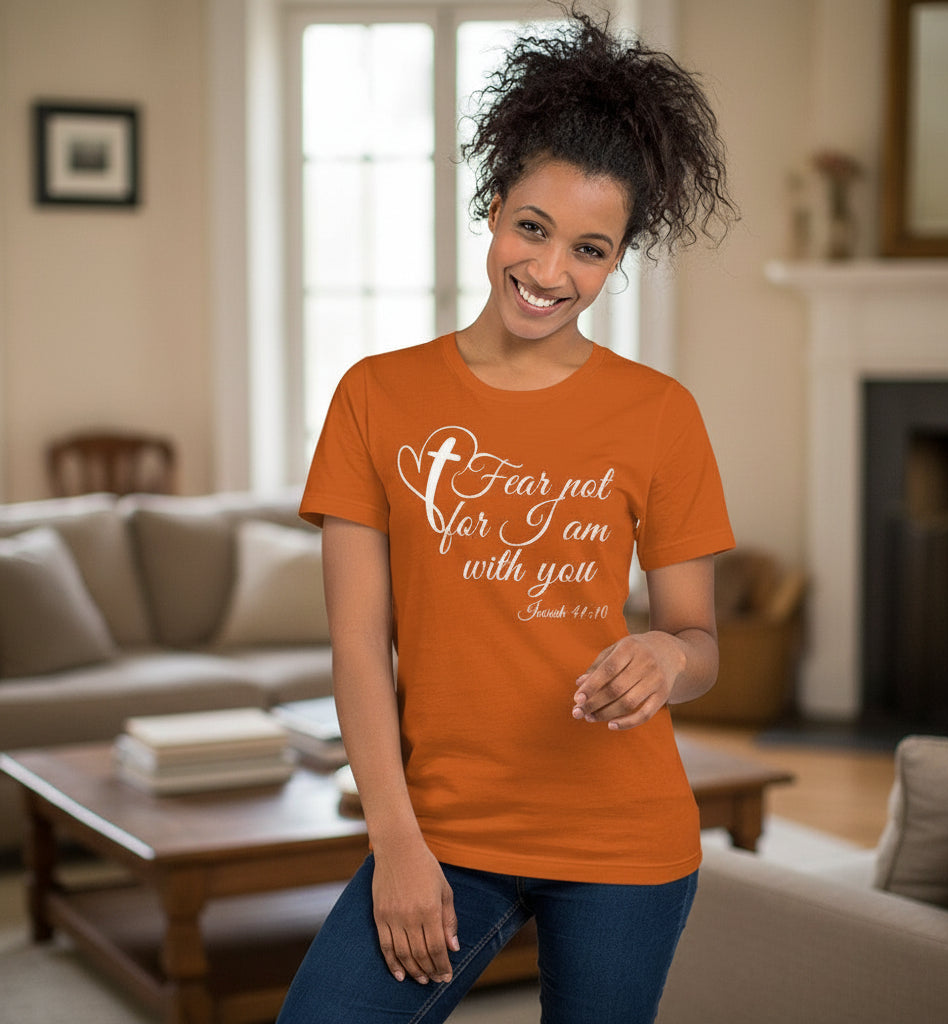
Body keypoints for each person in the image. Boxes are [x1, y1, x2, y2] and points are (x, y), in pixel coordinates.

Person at [277, 6, 736, 1022]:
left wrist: (666, 657)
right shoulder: (376, 396)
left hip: (625, 836)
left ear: (618, 258)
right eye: (532, 228)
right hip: (441, 829)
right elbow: (360, 646)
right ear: (493, 208)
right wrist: (395, 838)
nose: (549, 272)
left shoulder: (660, 415)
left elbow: (698, 638)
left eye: (589, 249)